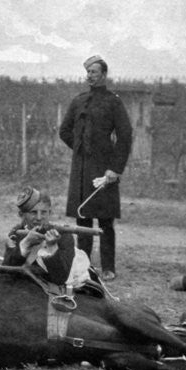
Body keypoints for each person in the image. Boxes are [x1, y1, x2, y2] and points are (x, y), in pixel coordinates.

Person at [58, 54, 133, 282]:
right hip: (81, 169)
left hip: (105, 169)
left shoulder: (113, 101)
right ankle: (85, 267)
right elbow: (64, 131)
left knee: (105, 220)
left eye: (94, 72)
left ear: (104, 75)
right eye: (88, 72)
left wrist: (115, 168)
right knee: (83, 219)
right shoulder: (78, 100)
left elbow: (125, 135)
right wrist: (80, 148)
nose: (90, 76)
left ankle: (108, 267)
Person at [3, 187, 90, 288]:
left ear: (50, 212)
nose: (39, 218)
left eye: (44, 212)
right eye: (33, 212)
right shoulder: (16, 234)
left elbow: (60, 278)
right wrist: (25, 244)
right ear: (22, 215)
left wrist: (52, 248)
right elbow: (5, 274)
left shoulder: (63, 235)